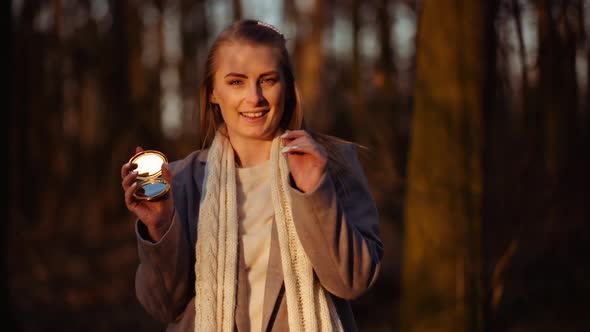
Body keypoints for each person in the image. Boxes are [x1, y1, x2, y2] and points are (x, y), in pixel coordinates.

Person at [120, 19, 383, 332]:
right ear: (213, 92)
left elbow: (352, 281)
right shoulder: (180, 181)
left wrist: (316, 192)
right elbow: (163, 306)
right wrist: (160, 227)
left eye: (268, 80)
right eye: (236, 82)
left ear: (286, 86)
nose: (254, 97)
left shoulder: (333, 165)